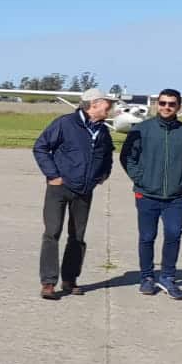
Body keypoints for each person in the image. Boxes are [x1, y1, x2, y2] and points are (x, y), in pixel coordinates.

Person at [32, 88, 114, 300]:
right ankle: (49, 283)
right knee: (52, 232)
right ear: (94, 104)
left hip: (85, 191)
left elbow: (108, 154)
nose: (111, 108)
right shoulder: (65, 123)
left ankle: (70, 280)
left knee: (77, 237)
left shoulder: (103, 130)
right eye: (107, 104)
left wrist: (103, 173)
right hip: (59, 188)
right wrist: (53, 175)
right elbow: (41, 147)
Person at [119, 88, 182, 300]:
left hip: (174, 197)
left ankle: (167, 277)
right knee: (147, 237)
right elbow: (127, 157)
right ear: (157, 104)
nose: (166, 107)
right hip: (146, 194)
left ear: (178, 107)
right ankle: (146, 277)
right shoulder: (142, 129)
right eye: (163, 103)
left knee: (173, 234)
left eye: (171, 104)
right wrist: (140, 179)